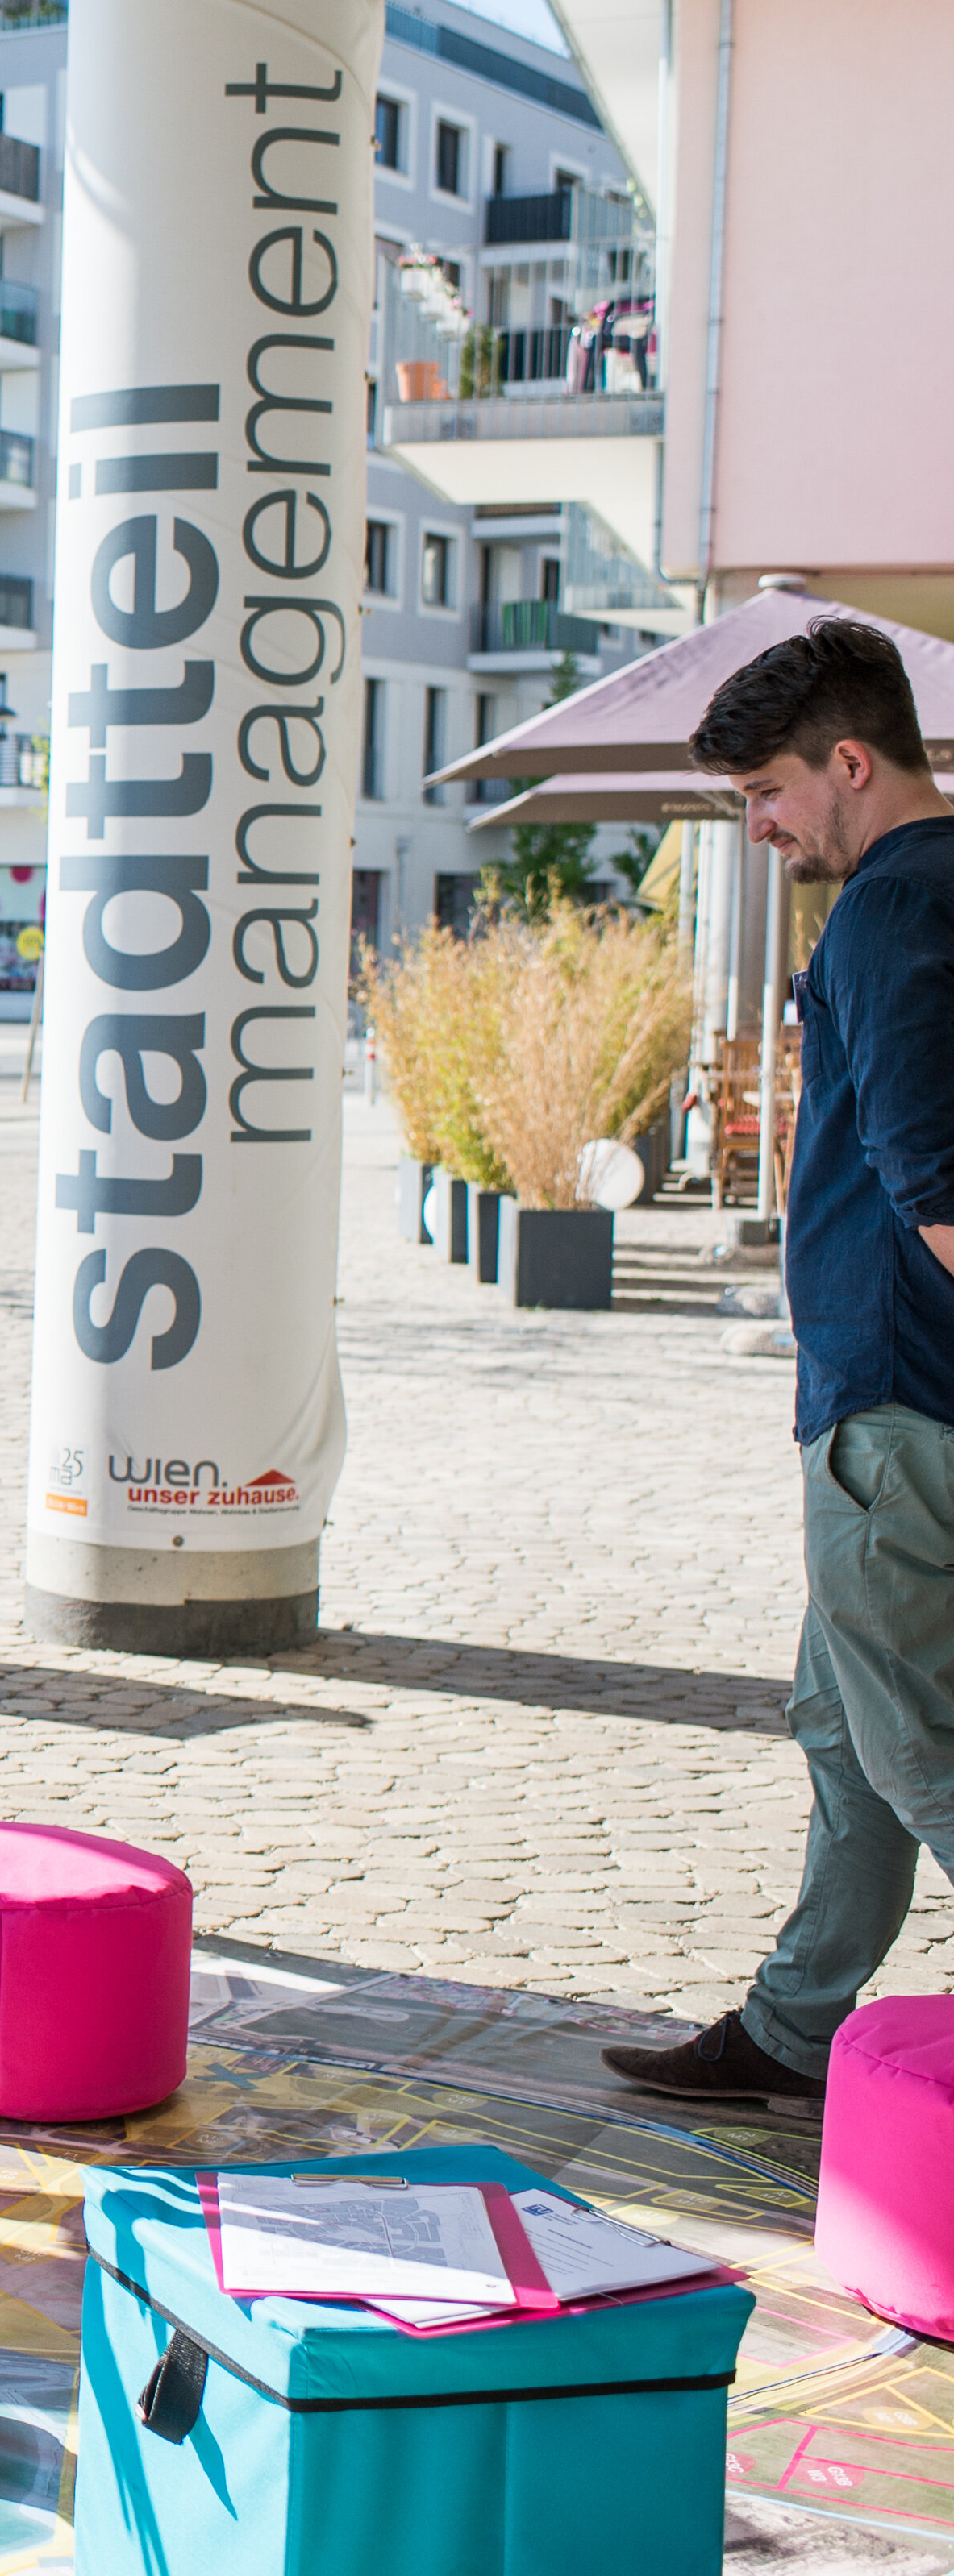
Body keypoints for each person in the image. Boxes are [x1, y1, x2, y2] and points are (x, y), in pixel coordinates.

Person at [606, 617, 954, 2111]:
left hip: (892, 1409)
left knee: (915, 1741)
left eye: (762, 792)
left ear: (849, 761)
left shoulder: (884, 914)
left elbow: (934, 1186)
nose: (752, 827)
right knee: (840, 1722)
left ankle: (790, 2026)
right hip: (896, 1403)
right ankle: (791, 2025)